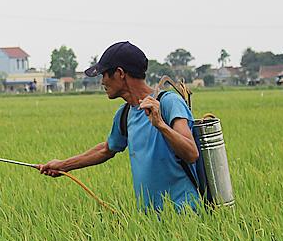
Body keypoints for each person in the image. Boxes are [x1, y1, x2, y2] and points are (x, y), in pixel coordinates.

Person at [38, 41, 201, 212]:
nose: (102, 82)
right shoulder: (124, 114)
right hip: (150, 218)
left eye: (104, 75)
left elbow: (191, 153)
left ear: (120, 73)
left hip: (184, 214)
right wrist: (63, 166)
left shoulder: (169, 103)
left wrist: (160, 124)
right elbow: (106, 149)